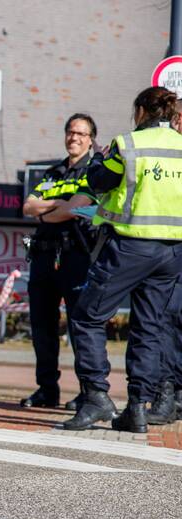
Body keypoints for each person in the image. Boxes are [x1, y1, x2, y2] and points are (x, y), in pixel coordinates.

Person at [63, 87, 182, 433]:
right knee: (149, 326)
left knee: (86, 316)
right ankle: (137, 409)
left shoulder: (128, 144)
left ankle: (96, 396)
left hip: (130, 247)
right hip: (172, 252)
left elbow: (99, 180)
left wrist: (98, 159)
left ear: (142, 111)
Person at [19, 114, 99, 409]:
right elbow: (28, 206)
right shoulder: (52, 173)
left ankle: (87, 392)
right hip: (43, 256)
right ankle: (47, 390)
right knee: (42, 327)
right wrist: (56, 206)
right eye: (70, 132)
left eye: (80, 133)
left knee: (80, 327)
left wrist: (51, 209)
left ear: (91, 139)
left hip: (76, 256)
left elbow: (76, 210)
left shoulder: (94, 171)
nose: (73, 137)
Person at [146, 98, 182, 426]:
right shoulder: (170, 155)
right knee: (167, 322)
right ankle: (166, 392)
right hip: (172, 252)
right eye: (177, 117)